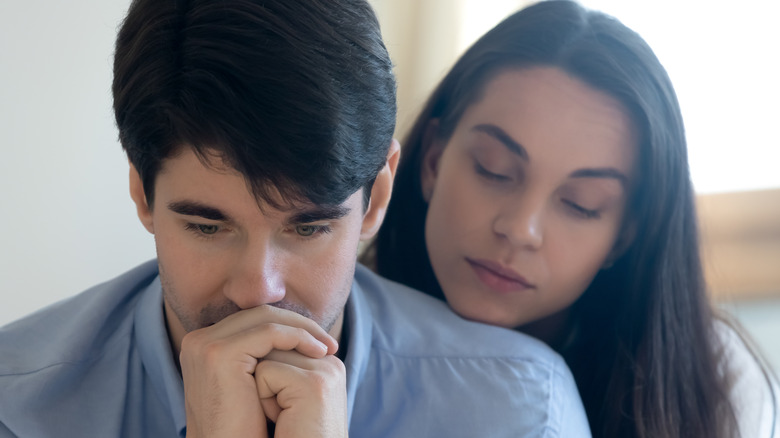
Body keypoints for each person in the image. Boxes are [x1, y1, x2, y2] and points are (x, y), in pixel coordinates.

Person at [0, 0, 592, 436]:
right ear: (142, 194)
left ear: (377, 198)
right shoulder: (16, 407)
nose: (260, 288)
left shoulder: (521, 411)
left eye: (308, 227)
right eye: (207, 227)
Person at [364, 1, 779, 437]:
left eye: (581, 204)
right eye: (494, 169)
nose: (521, 228)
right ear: (433, 159)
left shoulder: (711, 383)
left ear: (623, 237)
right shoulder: (330, 319)